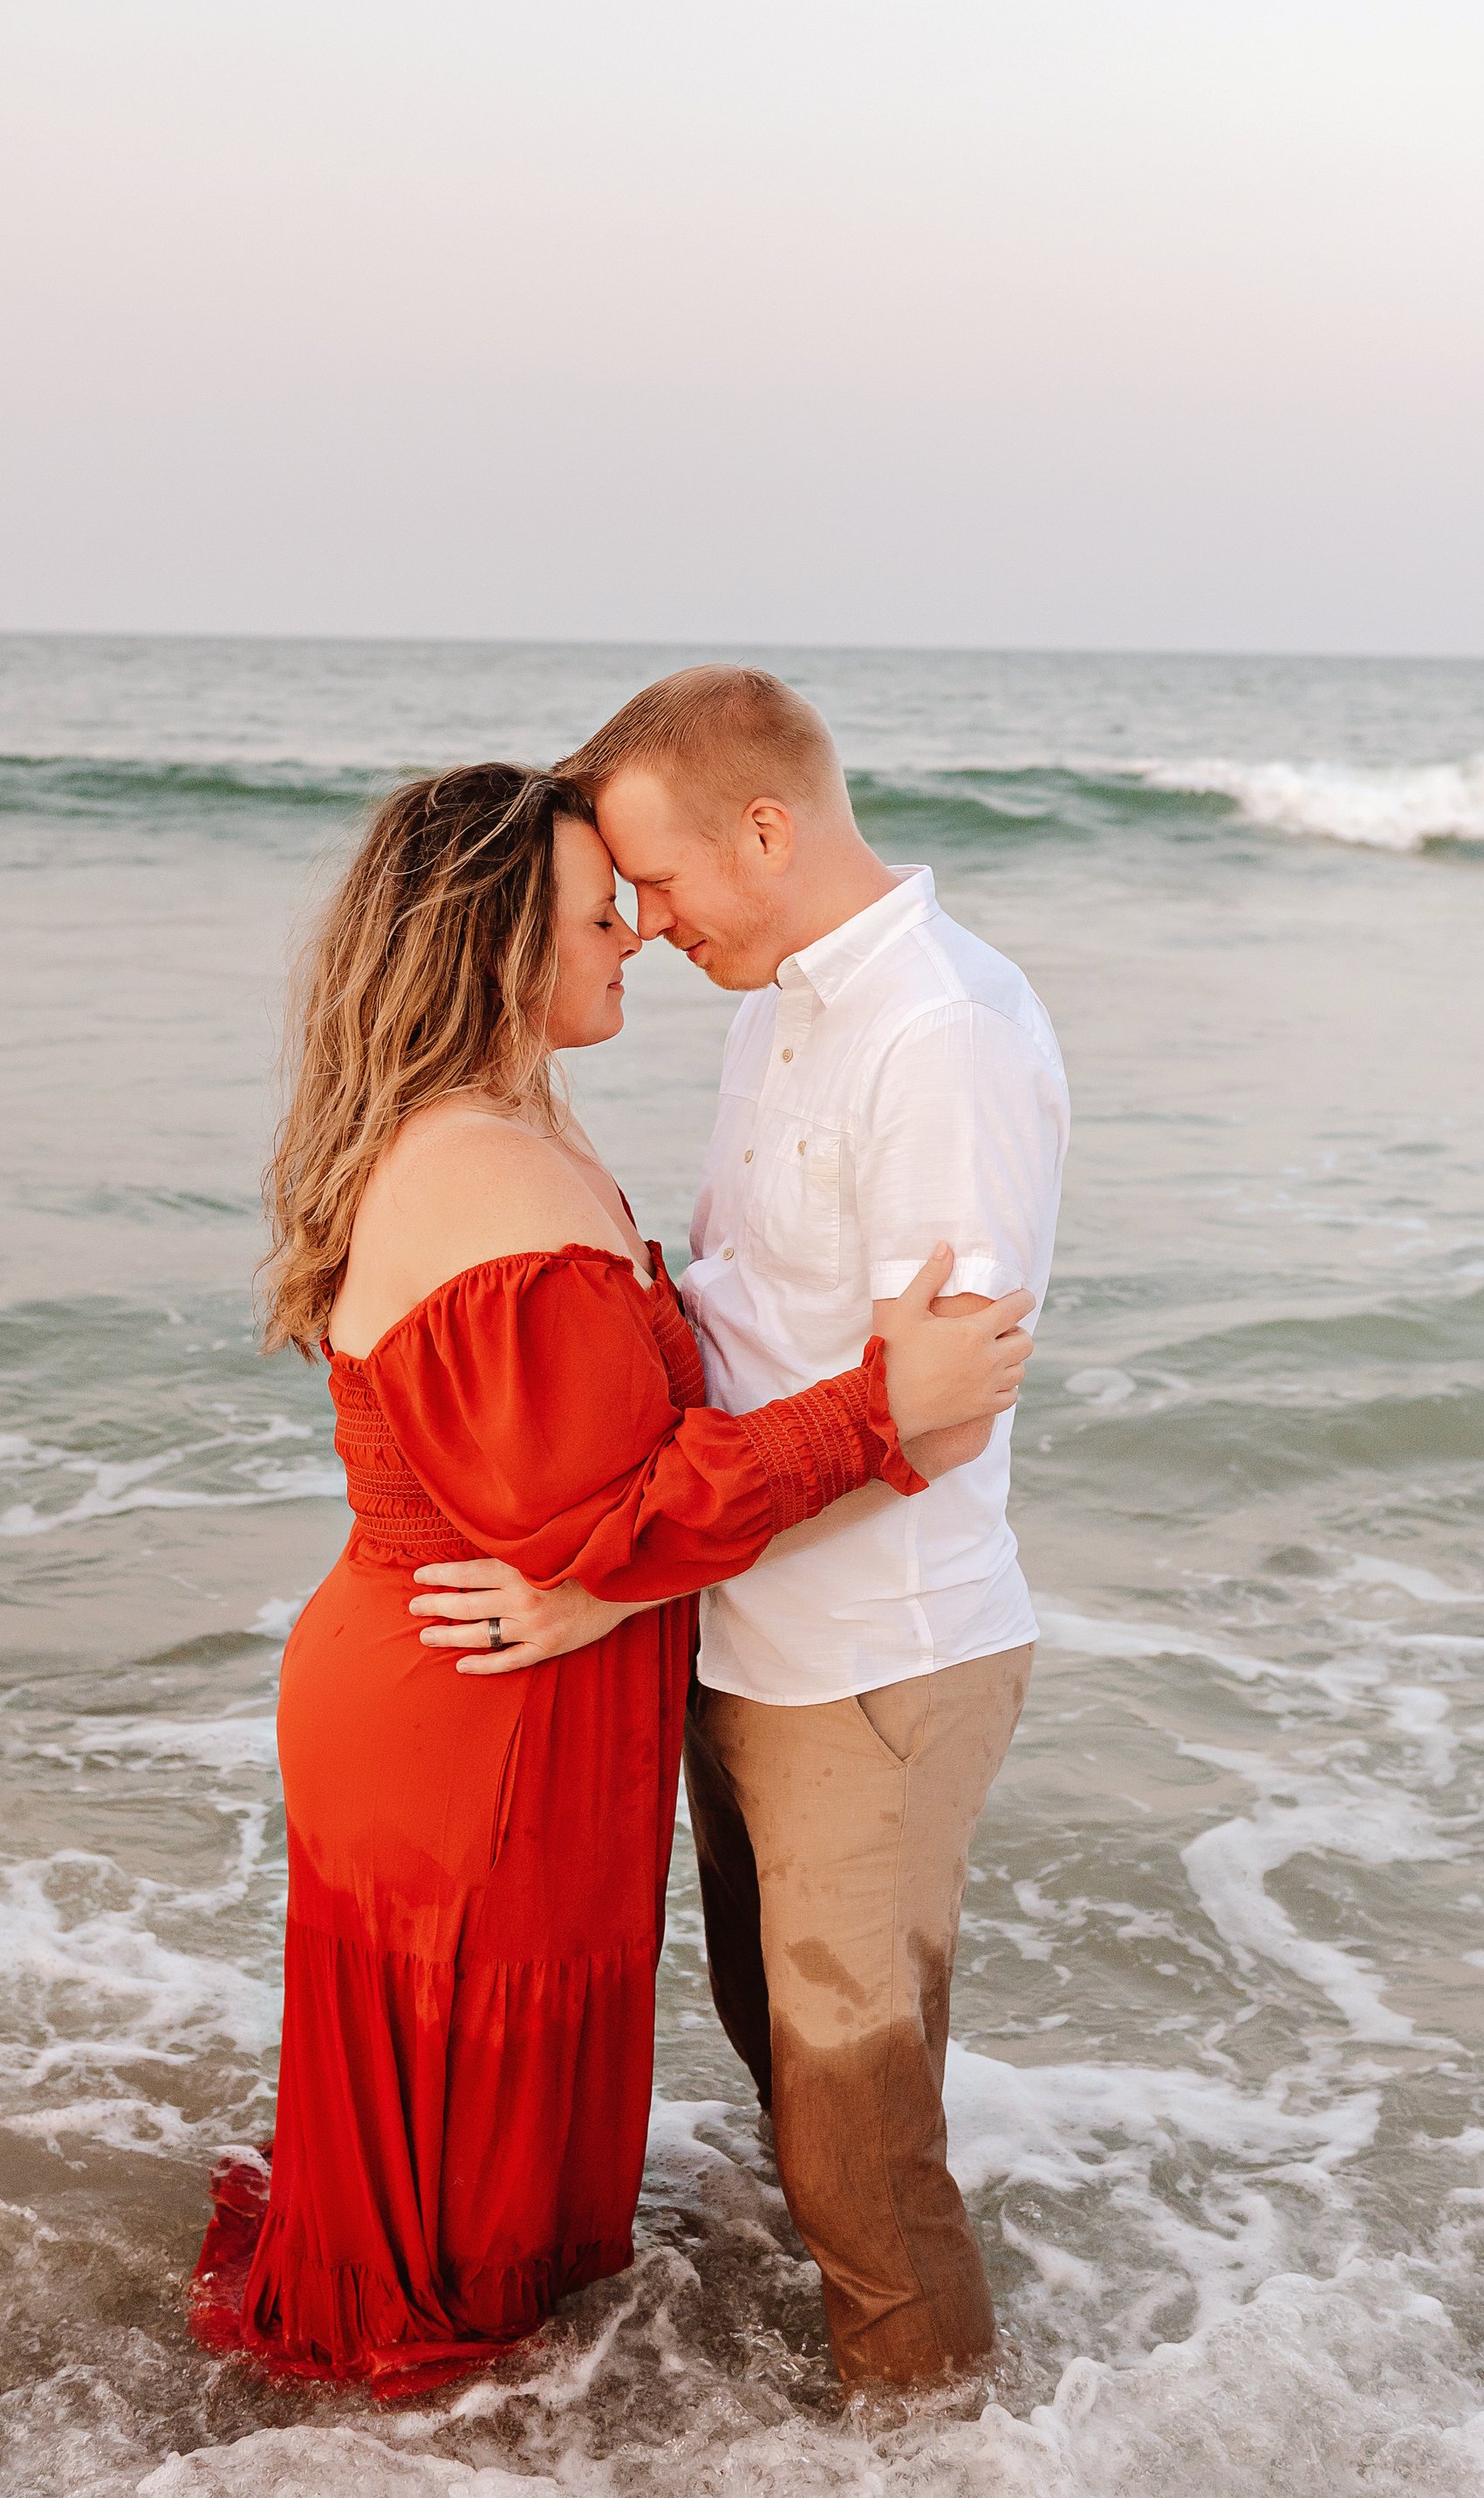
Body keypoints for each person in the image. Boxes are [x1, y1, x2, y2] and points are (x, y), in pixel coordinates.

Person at [189, 762, 1036, 2397]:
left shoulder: (513, 1123)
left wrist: (611, 1582)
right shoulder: (478, 1168)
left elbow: (608, 1478)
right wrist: (877, 1410)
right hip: (470, 1720)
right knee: (446, 2267)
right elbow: (608, 1501)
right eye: (600, 912)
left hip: (504, 1678)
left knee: (488, 2165)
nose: (634, 934)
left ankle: (532, 2489)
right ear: (504, 943)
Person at [438, 674, 1068, 2388]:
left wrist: (591, 1589)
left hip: (873, 1652)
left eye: (654, 882)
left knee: (856, 2142)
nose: (639, 926)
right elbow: (744, 1333)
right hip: (744, 1627)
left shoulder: (937, 1033)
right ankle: (855, 2468)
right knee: (788, 2076)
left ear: (765, 833)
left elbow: (932, 1406)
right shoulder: (771, 1006)